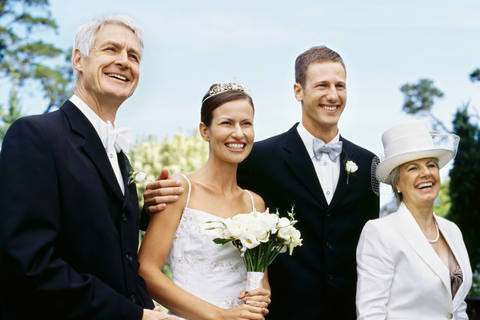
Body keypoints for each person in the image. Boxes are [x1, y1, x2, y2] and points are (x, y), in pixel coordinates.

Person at [143, 46, 380, 319]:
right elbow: (201, 201)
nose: (333, 94)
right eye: (322, 85)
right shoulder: (257, 159)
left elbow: (370, 248)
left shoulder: (368, 164)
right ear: (298, 91)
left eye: (340, 85)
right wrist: (151, 205)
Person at [0, 15, 176, 320]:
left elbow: (112, 254)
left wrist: (145, 304)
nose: (124, 61)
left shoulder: (119, 157)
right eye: (111, 49)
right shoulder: (35, 135)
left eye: (133, 56)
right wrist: (135, 316)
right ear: (78, 60)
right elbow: (27, 262)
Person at [138, 82, 271, 320]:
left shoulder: (255, 204)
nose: (239, 133)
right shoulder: (179, 190)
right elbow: (146, 271)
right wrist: (221, 316)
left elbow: (260, 279)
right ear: (204, 131)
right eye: (226, 123)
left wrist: (261, 296)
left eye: (246, 123)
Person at [356, 119, 472, 320]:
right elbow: (371, 314)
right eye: (412, 168)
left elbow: (457, 307)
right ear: (397, 183)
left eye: (430, 164)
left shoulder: (452, 230)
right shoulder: (380, 232)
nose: (426, 173)